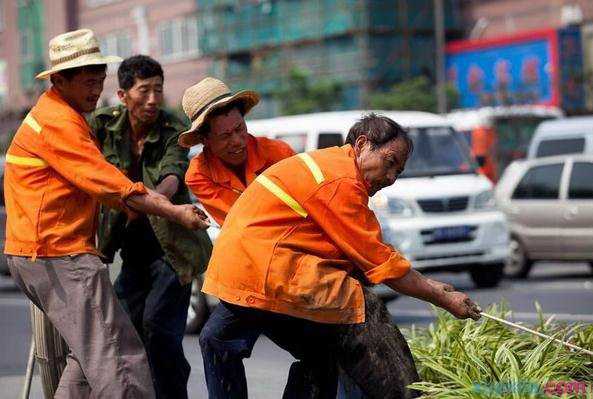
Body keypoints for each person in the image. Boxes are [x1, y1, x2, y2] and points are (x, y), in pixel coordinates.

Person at [198, 113, 482, 399]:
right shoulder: (341, 181)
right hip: (264, 269)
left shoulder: (331, 165)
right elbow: (380, 262)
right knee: (360, 308)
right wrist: (441, 296)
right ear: (362, 145)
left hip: (247, 267)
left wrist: (434, 287)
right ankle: (406, 393)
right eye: (390, 163)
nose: (391, 177)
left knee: (313, 355)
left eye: (398, 171)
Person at [4, 29, 209, 399]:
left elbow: (171, 175)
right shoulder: (71, 123)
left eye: (99, 82)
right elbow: (112, 185)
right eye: (87, 83)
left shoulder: (166, 128)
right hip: (64, 253)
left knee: (98, 356)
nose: (94, 91)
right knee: (119, 357)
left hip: (163, 254)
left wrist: (163, 206)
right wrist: (174, 213)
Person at [88, 55, 212, 399]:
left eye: (158, 89)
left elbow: (173, 174)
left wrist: (152, 201)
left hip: (172, 250)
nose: (153, 99)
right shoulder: (101, 125)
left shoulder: (173, 128)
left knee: (160, 330)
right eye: (144, 90)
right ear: (123, 94)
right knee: (125, 333)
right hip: (130, 251)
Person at [181, 77, 295, 226]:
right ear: (204, 140)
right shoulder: (198, 175)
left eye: (239, 129)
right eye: (225, 136)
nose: (237, 141)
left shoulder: (280, 152)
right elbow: (242, 221)